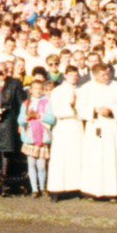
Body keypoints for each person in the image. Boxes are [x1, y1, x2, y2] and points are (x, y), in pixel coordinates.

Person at [78, 65, 117, 199]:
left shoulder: (116, 86)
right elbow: (80, 107)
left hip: (111, 126)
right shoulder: (86, 88)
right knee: (97, 154)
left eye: (107, 74)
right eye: (103, 75)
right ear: (95, 75)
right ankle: (94, 191)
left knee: (111, 155)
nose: (106, 77)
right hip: (97, 127)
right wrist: (94, 110)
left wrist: (111, 110)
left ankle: (113, 191)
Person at [0, 64, 26, 195]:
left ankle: (5, 184)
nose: (1, 73)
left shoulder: (14, 84)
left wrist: (21, 123)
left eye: (3, 70)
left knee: (5, 154)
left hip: (8, 122)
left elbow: (22, 105)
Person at [45, 67, 84, 198]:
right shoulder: (58, 91)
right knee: (60, 158)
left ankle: (75, 187)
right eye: (71, 75)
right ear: (65, 75)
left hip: (77, 126)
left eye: (75, 75)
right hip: (63, 127)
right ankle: (56, 189)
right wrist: (71, 107)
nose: (73, 77)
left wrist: (77, 110)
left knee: (76, 157)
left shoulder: (81, 90)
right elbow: (57, 111)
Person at [20, 73, 51, 197]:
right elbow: (20, 119)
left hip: (43, 136)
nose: (37, 91)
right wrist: (27, 118)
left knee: (41, 165)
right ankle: (34, 189)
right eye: (35, 89)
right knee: (31, 164)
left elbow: (51, 119)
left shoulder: (47, 102)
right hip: (30, 137)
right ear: (31, 90)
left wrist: (39, 116)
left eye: (40, 89)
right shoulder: (26, 103)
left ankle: (42, 186)